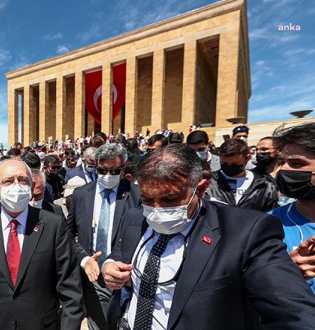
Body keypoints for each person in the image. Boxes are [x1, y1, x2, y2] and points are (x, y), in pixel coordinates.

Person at [102, 145, 315, 329]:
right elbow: (122, 250)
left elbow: (293, 311)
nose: (157, 210)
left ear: (201, 189)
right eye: (148, 199)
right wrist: (110, 263)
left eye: (170, 199)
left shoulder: (245, 231)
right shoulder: (134, 217)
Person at [0, 159, 83, 329]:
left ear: (32, 187)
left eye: (23, 180)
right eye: (8, 181)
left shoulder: (53, 225)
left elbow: (71, 292)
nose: (16, 186)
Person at [67, 143, 141, 330]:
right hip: (93, 278)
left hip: (126, 278)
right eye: (102, 170)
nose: (107, 176)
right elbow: (67, 234)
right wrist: (84, 259)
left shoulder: (137, 195)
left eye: (114, 170)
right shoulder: (81, 194)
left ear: (123, 169)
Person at [268, 122, 315, 292]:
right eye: (282, 162)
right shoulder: (267, 225)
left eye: (296, 163)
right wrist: (284, 273)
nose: (283, 169)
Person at [206, 139, 278, 211]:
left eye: (235, 164)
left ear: (248, 158)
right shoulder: (209, 182)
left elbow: (271, 214)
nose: (229, 167)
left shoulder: (264, 186)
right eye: (224, 164)